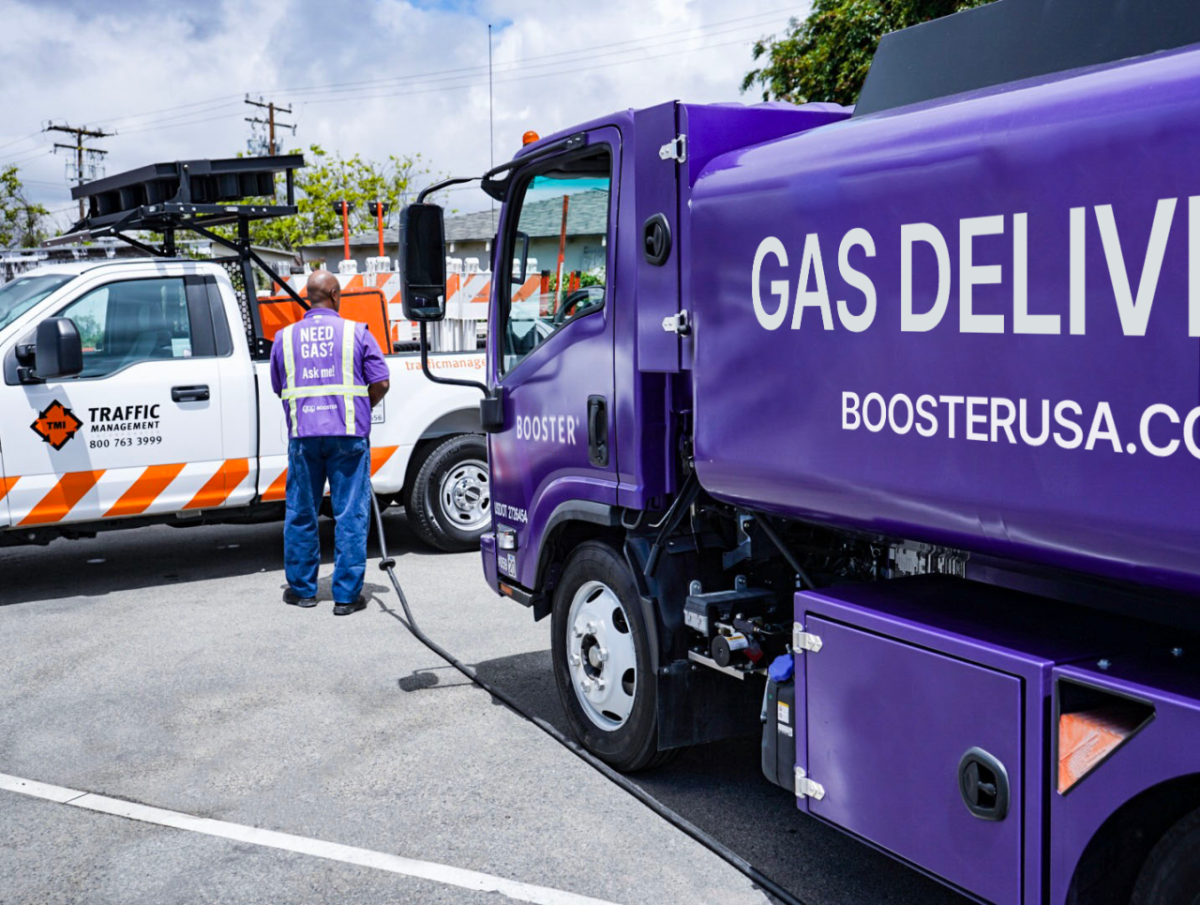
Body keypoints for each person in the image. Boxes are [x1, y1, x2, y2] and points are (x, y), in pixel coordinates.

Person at [269, 270, 390, 615]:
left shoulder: (285, 337)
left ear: (309, 296)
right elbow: (380, 382)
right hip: (348, 435)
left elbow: (281, 386)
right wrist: (358, 410)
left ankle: (304, 591)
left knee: (301, 512)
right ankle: (346, 597)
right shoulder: (357, 333)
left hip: (304, 436)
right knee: (350, 513)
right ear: (335, 295)